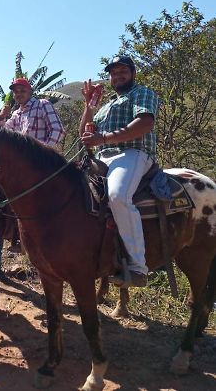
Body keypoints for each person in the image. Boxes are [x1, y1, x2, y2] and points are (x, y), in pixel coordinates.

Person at [0, 77, 66, 277]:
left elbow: (58, 130)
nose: (18, 93)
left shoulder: (43, 105)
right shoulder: (16, 114)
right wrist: (1, 117)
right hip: (20, 171)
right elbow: (2, 134)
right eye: (15, 91)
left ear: (30, 90)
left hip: (44, 166)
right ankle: (15, 237)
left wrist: (43, 155)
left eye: (22, 89)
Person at [80, 55, 159, 287]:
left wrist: (103, 138)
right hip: (103, 157)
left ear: (133, 73)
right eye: (114, 73)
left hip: (133, 153)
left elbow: (145, 123)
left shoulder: (141, 93)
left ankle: (138, 268)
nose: (118, 75)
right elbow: (83, 135)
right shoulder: (105, 107)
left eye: (123, 71)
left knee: (117, 195)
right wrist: (88, 106)